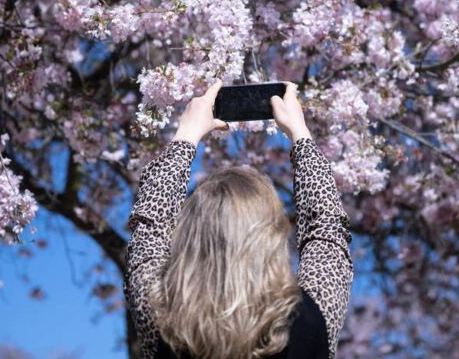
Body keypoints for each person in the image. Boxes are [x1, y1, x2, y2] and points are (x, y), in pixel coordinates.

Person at [124, 79, 353, 359]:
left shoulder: (162, 318)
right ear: (271, 236)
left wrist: (186, 136)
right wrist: (299, 133)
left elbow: (150, 229)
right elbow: (328, 231)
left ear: (190, 236)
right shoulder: (312, 318)